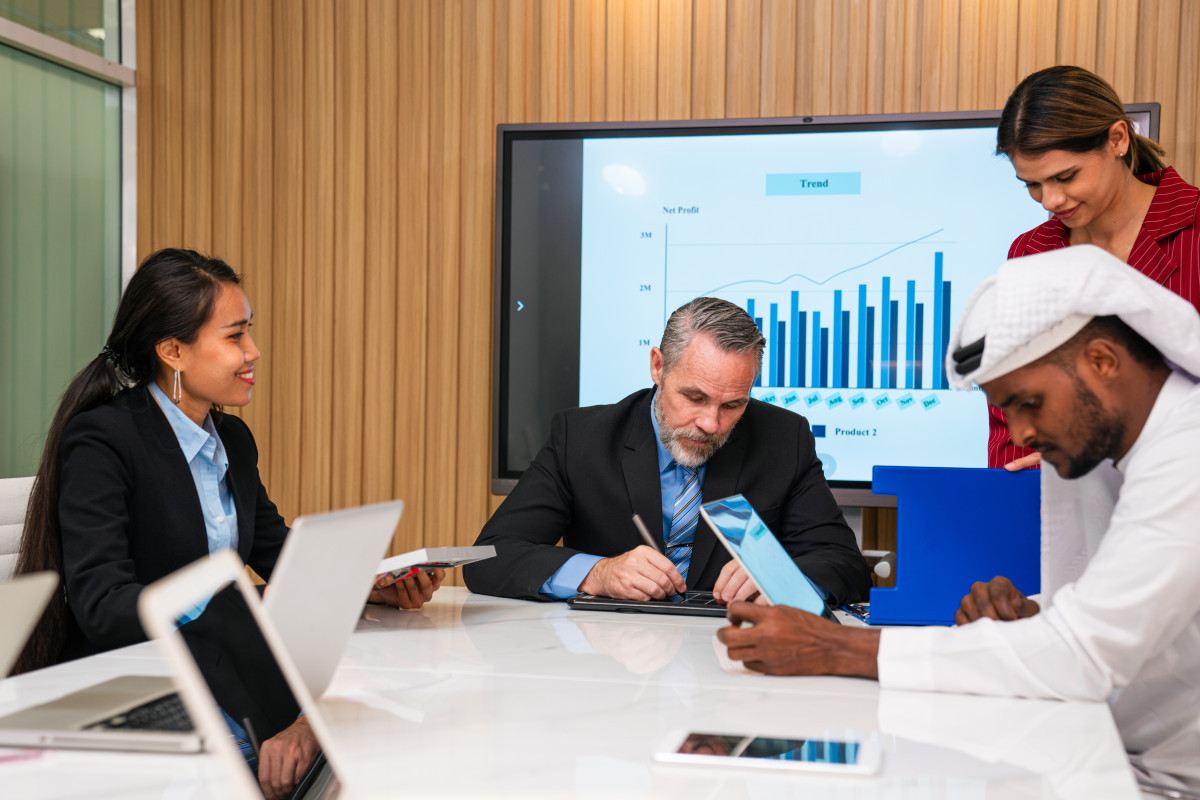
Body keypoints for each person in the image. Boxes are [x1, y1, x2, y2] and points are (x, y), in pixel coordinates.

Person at [716, 246, 1200, 791]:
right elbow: (1136, 608)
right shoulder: (1136, 444)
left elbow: (1083, 655)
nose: (1020, 434)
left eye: (1030, 403)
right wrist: (1036, 616)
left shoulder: (1188, 453)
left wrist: (834, 647)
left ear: (1103, 362)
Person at [12, 248, 441, 799]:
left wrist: (369, 586)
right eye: (235, 335)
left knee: (383, 737)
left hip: (220, 670)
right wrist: (225, 601)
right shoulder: (104, 440)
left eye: (249, 331)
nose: (252, 351)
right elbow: (102, 603)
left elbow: (277, 552)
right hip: (140, 690)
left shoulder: (232, 439)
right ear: (173, 351)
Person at [463, 297, 871, 606]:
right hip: (611, 658)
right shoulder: (582, 438)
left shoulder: (784, 438)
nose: (711, 424)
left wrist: (782, 577)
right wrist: (597, 573)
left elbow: (844, 565)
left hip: (729, 653)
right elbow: (490, 557)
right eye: (695, 397)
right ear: (658, 366)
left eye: (733, 405)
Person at [988, 64, 1200, 470]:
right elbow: (1009, 410)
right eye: (1033, 184)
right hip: (1058, 500)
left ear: (1117, 139)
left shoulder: (1194, 229)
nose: (1050, 200)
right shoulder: (1030, 253)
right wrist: (1025, 474)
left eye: (1066, 177)